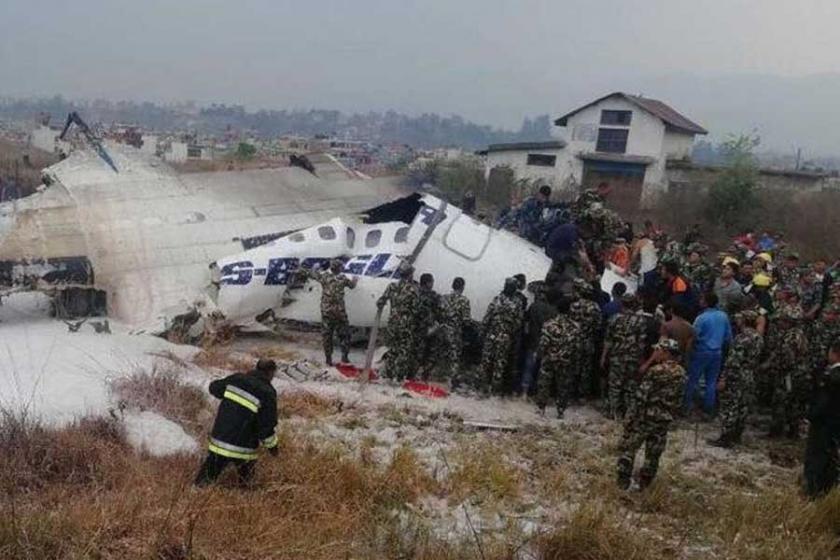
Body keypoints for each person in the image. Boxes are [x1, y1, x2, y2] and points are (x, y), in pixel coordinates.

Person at [195, 359, 279, 487]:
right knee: (247, 485)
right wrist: (273, 448)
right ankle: (245, 499)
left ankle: (194, 495)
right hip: (244, 449)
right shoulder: (268, 394)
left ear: (256, 368)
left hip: (220, 442)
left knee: (204, 480)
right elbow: (266, 427)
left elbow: (214, 388)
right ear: (271, 373)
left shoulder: (236, 379)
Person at [616, 338, 685, 490]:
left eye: (658, 350)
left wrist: (630, 417)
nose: (655, 353)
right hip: (663, 419)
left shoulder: (656, 371)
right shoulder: (681, 373)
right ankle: (644, 484)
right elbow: (679, 401)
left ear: (666, 352)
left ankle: (623, 479)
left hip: (645, 417)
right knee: (653, 453)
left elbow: (641, 396)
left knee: (629, 447)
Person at [709, 310, 764, 448]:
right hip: (749, 375)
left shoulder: (742, 338)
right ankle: (737, 435)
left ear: (744, 321)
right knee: (742, 406)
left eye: (740, 319)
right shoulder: (758, 337)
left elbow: (733, 362)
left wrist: (723, 379)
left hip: (736, 375)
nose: (737, 321)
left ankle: (726, 437)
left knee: (730, 406)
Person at [300, 259, 358, 365]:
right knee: (345, 335)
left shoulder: (325, 277)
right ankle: (344, 357)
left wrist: (301, 269)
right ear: (339, 268)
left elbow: (311, 274)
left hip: (327, 312)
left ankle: (328, 359)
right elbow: (352, 286)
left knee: (327, 335)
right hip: (339, 312)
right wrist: (355, 279)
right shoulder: (343, 279)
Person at [767, 299, 810, 438]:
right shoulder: (799, 333)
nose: (778, 324)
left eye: (780, 321)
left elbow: (787, 359)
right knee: (794, 403)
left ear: (787, 322)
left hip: (788, 375)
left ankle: (776, 431)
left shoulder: (790, 337)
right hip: (799, 373)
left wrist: (773, 367)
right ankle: (793, 431)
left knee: (780, 401)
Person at [684, 292, 732, 416]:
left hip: (701, 351)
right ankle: (708, 408)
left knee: (693, 380)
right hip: (717, 352)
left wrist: (688, 352)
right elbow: (728, 337)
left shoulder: (701, 318)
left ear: (706, 302)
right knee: (711, 381)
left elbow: (694, 336)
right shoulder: (723, 316)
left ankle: (687, 407)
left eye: (702, 299)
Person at [803, 339, 840, 499]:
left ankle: (813, 490)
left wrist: (810, 416)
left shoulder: (832, 376)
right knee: (830, 456)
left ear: (835, 353)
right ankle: (827, 490)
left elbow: (823, 402)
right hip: (835, 426)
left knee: (816, 456)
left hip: (824, 423)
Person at [601, 293, 647, 420]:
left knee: (615, 385)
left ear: (622, 304)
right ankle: (628, 412)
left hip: (616, 356)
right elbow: (641, 343)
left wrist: (603, 357)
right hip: (633, 357)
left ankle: (613, 412)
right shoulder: (640, 320)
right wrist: (641, 360)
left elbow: (608, 340)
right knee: (630, 386)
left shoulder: (614, 318)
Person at [536, 294, 581, 418]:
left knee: (544, 383)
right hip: (566, 360)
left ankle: (541, 409)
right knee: (563, 386)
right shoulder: (575, 327)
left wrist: (540, 354)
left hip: (549, 358)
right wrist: (575, 361)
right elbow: (577, 347)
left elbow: (544, 343)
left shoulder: (549, 324)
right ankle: (560, 411)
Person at [480, 278, 524, 394]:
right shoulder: (498, 299)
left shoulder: (516, 302)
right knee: (487, 362)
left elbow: (518, 322)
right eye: (508, 285)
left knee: (499, 364)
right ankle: (484, 387)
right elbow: (488, 316)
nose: (508, 287)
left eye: (511, 285)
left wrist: (509, 332)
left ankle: (494, 389)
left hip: (503, 336)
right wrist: (483, 331)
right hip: (495, 335)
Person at [377, 265, 421, 381]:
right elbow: (417, 309)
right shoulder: (413, 289)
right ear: (410, 274)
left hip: (392, 323)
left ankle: (388, 374)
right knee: (404, 350)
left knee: (392, 349)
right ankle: (399, 377)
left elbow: (380, 301)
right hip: (406, 324)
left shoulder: (392, 286)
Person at [521, 283, 557, 396]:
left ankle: (524, 393)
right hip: (546, 343)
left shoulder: (534, 306)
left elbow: (526, 321)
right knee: (542, 369)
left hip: (533, 340)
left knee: (529, 367)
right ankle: (537, 393)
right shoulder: (554, 311)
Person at [569, 278, 603, 399]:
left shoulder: (574, 305)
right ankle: (582, 394)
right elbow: (598, 326)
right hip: (588, 341)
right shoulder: (596, 308)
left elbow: (569, 322)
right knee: (585, 368)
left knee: (572, 366)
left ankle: (569, 392)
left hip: (574, 340)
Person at [439, 277, 471, 384]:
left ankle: (437, 378)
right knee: (454, 358)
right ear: (462, 287)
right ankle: (451, 381)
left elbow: (439, 314)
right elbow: (466, 320)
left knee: (441, 354)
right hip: (455, 333)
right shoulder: (464, 300)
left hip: (442, 331)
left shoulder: (443, 298)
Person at [416, 273, 441, 378]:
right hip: (429, 328)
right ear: (427, 283)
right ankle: (424, 374)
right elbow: (440, 310)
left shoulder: (414, 293)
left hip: (416, 328)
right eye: (432, 281)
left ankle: (413, 375)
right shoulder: (433, 296)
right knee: (430, 353)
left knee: (417, 353)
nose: (433, 284)